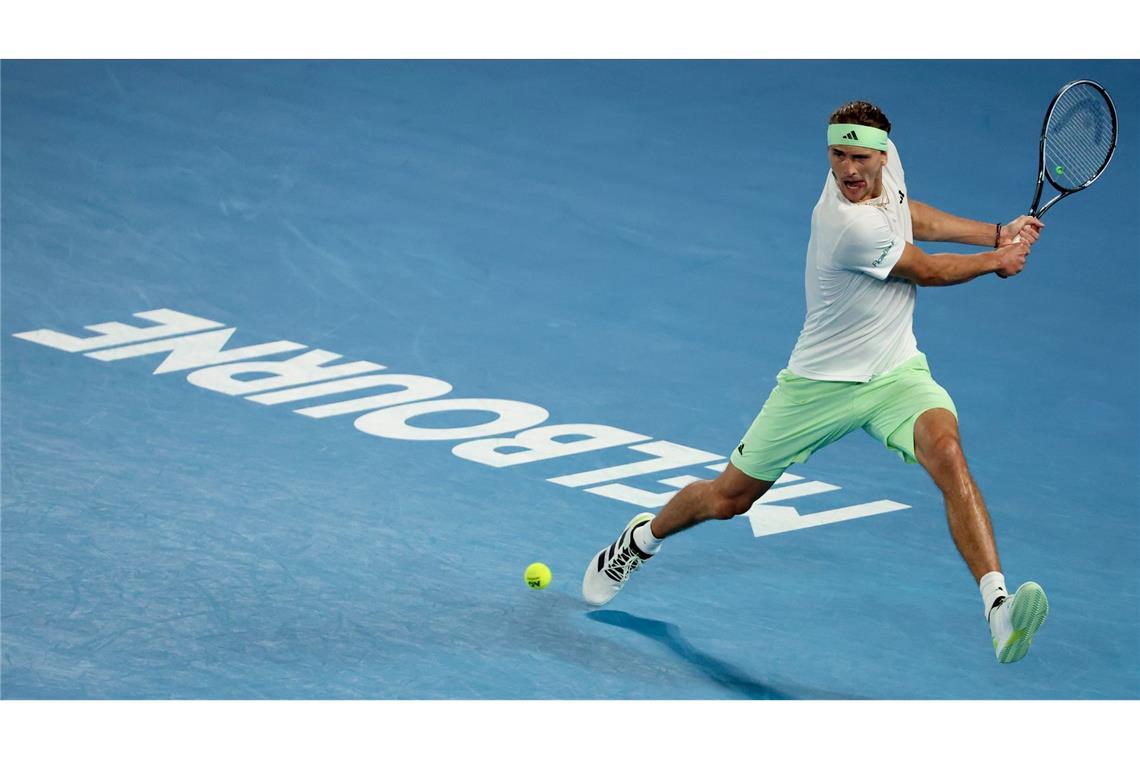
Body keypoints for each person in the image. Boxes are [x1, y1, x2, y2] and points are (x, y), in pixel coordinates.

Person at [581, 100, 1049, 664]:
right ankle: (641, 540)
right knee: (729, 500)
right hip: (819, 384)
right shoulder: (844, 223)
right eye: (836, 156)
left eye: (859, 157)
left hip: (896, 372)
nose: (848, 171)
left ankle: (998, 611)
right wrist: (996, 259)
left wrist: (995, 232)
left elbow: (908, 214)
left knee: (948, 453)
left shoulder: (885, 172)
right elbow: (925, 268)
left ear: (882, 154)